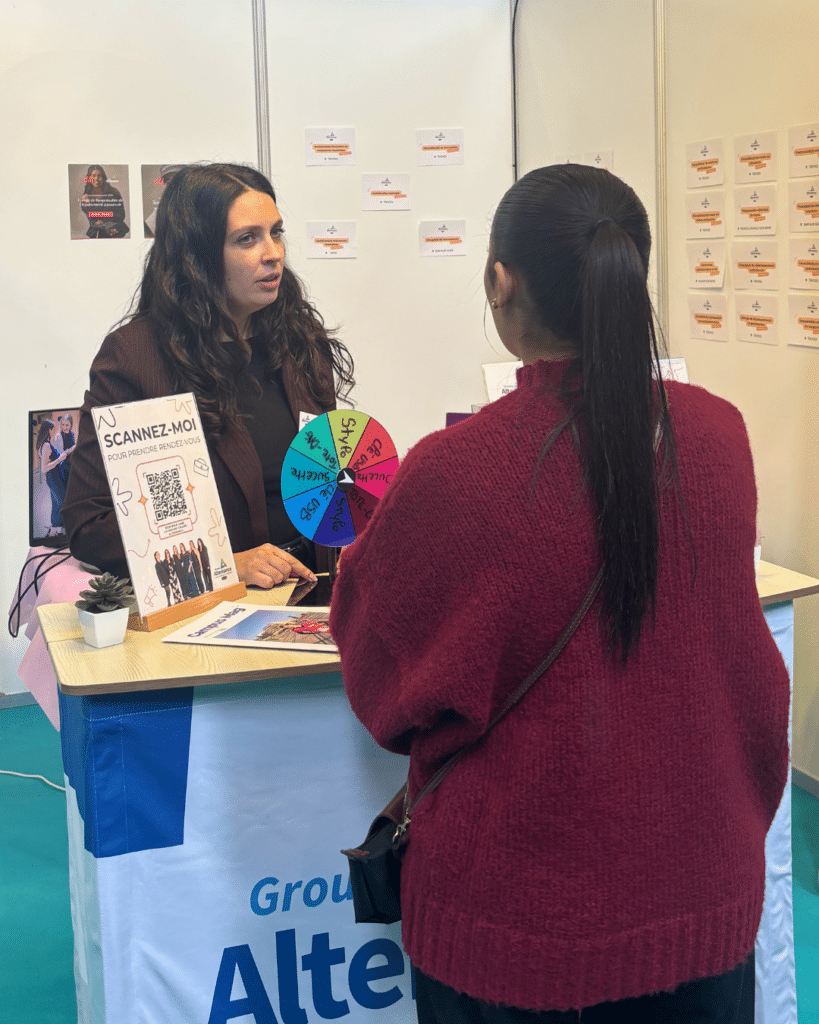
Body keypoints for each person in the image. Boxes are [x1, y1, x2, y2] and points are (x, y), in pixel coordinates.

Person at [329, 164, 790, 1023]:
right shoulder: (715, 435)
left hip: (516, 933)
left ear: (500, 282)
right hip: (703, 898)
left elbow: (385, 686)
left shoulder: (458, 471)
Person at [63, 163, 354, 587]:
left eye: (276, 232)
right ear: (196, 255)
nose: (273, 253)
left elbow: (328, 475)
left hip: (313, 591)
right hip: (215, 612)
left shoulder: (298, 338)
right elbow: (90, 526)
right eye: (247, 239)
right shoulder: (136, 356)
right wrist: (223, 565)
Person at [36, 419, 69, 537]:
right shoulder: (45, 445)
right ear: (48, 430)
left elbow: (50, 462)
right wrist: (60, 459)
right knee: (62, 502)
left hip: (53, 477)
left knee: (57, 503)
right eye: (52, 429)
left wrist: (59, 459)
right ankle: (56, 529)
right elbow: (44, 468)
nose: (54, 431)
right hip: (53, 478)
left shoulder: (45, 445)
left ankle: (55, 530)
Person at [80, 165, 129, 239]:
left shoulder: (113, 193)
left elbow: (121, 215)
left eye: (99, 176)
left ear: (103, 178)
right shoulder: (87, 195)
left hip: (115, 226)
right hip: (97, 228)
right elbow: (91, 218)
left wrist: (103, 219)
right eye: (93, 176)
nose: (96, 178)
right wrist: (87, 205)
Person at [58, 414, 76, 485]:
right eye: (63, 424)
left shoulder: (72, 434)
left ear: (71, 425)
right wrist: (72, 448)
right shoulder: (59, 436)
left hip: (72, 462)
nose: (64, 427)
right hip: (65, 465)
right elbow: (61, 454)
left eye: (67, 425)